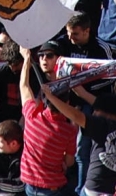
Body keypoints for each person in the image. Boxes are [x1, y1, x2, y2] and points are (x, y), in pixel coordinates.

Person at [42, 58, 116, 196]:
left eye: (96, 110)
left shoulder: (102, 125)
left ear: (105, 112)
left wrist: (51, 97)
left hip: (95, 190)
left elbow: (75, 115)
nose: (94, 113)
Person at [18, 47, 78, 196]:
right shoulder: (69, 131)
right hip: (52, 188)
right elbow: (69, 162)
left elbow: (24, 86)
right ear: (67, 102)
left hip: (29, 186)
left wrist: (26, 59)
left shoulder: (32, 115)